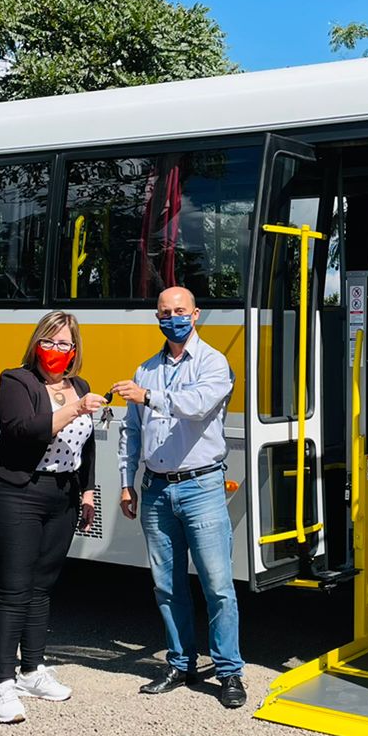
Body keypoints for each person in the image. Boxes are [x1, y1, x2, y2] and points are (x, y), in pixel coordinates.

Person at [112, 285, 246, 708]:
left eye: (180, 310)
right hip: (156, 490)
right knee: (167, 586)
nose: (173, 317)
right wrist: (126, 481)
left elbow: (197, 406)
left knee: (218, 586)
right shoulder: (145, 368)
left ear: (196, 313)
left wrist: (148, 396)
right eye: (165, 312)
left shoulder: (214, 363)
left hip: (202, 486)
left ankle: (228, 672)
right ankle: (180, 662)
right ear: (158, 318)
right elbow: (131, 432)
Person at [0, 311, 105, 723]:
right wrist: (74, 409)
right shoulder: (16, 380)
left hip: (62, 496)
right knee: (13, 589)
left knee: (41, 587)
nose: (56, 350)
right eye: (49, 342)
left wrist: (87, 491)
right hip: (17, 492)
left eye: (65, 344)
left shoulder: (80, 386)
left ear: (75, 350)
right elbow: (22, 430)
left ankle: (32, 669)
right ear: (36, 344)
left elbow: (86, 449)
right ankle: (1, 683)